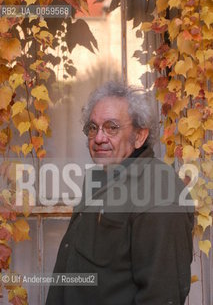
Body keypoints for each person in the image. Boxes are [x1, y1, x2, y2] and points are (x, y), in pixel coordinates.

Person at [46, 81, 194, 305]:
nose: (98, 138)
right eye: (93, 128)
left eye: (112, 127)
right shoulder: (99, 177)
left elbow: (162, 295)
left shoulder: (159, 193)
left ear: (139, 136)